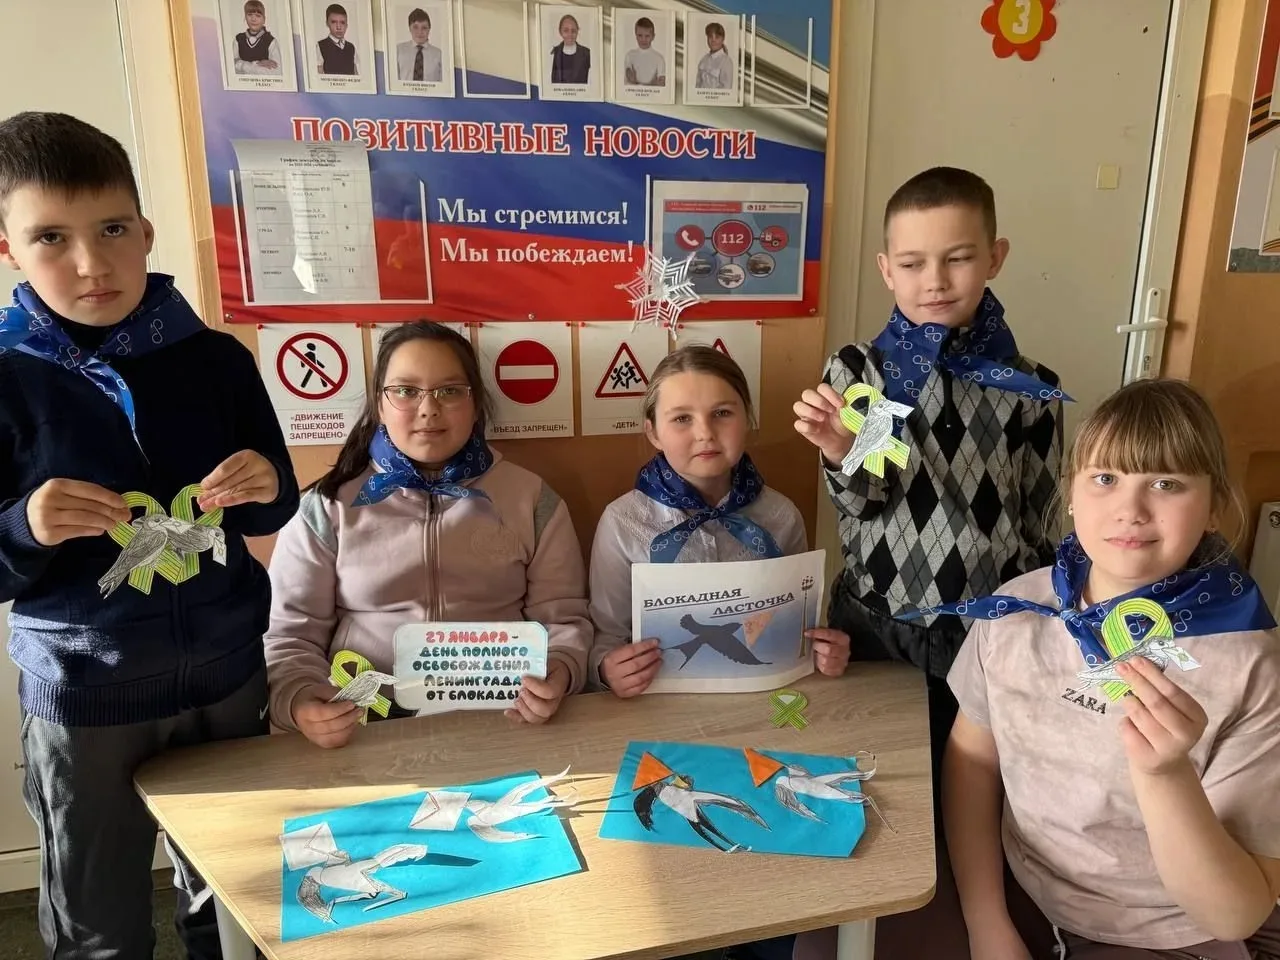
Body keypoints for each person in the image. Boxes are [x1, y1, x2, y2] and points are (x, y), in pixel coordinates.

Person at [0, 111, 300, 960]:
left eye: (112, 230)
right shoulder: (8, 377)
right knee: (99, 920)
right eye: (51, 238)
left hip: (226, 678)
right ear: (9, 249)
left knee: (235, 902)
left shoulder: (217, 360)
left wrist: (266, 485)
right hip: (86, 696)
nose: (92, 264)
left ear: (146, 232)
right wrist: (24, 525)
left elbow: (271, 509)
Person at [943, 379, 1280, 958]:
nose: (1130, 510)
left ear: (1214, 508)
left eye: (1166, 483)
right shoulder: (1017, 610)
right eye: (1105, 478)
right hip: (1022, 886)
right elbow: (973, 759)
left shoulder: (1249, 665)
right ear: (1071, 494)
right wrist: (986, 922)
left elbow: (1235, 913)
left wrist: (1165, 774)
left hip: (1167, 926)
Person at [793, 166, 1066, 809]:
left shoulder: (1030, 386)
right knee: (873, 779)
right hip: (876, 618)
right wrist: (842, 451)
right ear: (887, 270)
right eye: (913, 264)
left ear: (995, 258)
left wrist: (1046, 621)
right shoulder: (861, 370)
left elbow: (1040, 518)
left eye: (958, 258)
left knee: (972, 781)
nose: (935, 280)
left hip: (986, 625)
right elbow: (866, 499)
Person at [265, 322, 592, 745]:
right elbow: (289, 635)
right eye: (405, 391)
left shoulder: (531, 499)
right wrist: (301, 700)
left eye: (450, 391)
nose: (428, 409)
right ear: (380, 404)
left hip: (505, 719)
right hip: (365, 726)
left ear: (476, 404)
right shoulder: (326, 506)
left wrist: (561, 671)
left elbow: (563, 619)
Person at [590, 345, 851, 698]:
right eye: (682, 418)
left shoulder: (781, 516)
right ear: (653, 433)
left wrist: (822, 653)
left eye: (722, 413)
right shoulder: (623, 523)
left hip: (765, 703)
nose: (705, 433)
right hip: (658, 707)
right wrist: (607, 669)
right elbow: (606, 636)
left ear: (748, 420)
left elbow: (797, 626)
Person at [233, 0, 282, 76]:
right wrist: (258, 64)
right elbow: (232, 67)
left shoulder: (271, 41)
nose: (253, 19)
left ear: (264, 19)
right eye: (250, 15)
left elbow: (276, 72)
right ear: (245, 17)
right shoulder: (238, 39)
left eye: (258, 16)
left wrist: (241, 64)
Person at [395, 7, 442, 83]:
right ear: (410, 28)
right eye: (415, 27)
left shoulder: (439, 54)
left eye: (424, 28)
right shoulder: (398, 50)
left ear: (429, 29)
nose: (420, 32)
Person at [316, 2, 359, 76]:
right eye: (333, 22)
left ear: (346, 25)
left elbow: (355, 73)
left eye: (342, 22)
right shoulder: (320, 46)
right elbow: (319, 75)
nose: (339, 27)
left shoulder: (351, 47)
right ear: (327, 23)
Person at [624, 16, 665, 87]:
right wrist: (652, 84)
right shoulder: (630, 55)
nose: (643, 39)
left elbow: (661, 83)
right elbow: (629, 79)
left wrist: (637, 84)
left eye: (647, 36)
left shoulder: (659, 58)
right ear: (636, 36)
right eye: (640, 35)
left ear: (653, 37)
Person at [550, 13, 590, 85]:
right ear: (560, 32)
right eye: (566, 30)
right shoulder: (555, 52)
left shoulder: (586, 53)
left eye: (573, 31)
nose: (570, 34)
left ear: (577, 31)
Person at [696, 21, 734, 90]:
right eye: (710, 36)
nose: (713, 40)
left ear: (723, 39)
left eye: (717, 37)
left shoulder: (726, 62)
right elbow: (698, 85)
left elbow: (726, 90)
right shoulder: (704, 60)